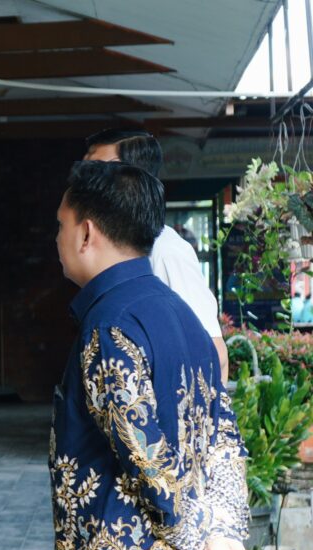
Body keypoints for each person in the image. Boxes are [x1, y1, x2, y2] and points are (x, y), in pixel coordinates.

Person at [51, 161, 249, 550]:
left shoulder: (109, 326)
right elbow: (225, 435)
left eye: (61, 225)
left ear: (86, 233)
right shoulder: (182, 313)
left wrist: (200, 534)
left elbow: (147, 459)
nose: (57, 238)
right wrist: (219, 529)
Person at [84, 129, 229, 385]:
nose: (84, 182)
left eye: (96, 169)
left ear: (130, 178)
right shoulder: (109, 248)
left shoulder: (165, 250)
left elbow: (214, 354)